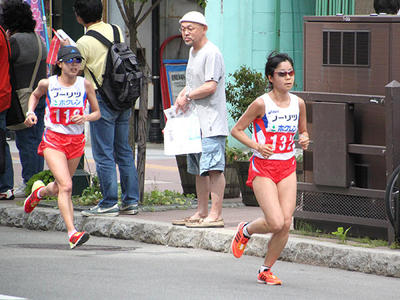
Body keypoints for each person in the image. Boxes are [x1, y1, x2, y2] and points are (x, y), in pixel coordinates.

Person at [230, 52, 309, 285]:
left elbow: (303, 132)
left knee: (285, 222)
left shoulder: (299, 103)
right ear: (270, 77)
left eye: (291, 73)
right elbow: (237, 130)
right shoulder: (261, 103)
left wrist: (304, 139)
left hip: (287, 166)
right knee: (274, 222)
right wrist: (256, 145)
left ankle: (266, 269)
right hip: (263, 167)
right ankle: (246, 230)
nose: (288, 78)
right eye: (282, 74)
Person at [23, 45, 101, 249]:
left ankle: (38, 193)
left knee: (59, 186)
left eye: (78, 61)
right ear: (60, 63)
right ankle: (72, 233)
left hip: (76, 141)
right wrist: (30, 112)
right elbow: (35, 95)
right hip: (53, 139)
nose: (74, 65)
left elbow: (97, 113)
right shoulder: (48, 83)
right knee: (66, 186)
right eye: (70, 61)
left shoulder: (85, 85)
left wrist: (85, 117)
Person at [72, 0, 140, 217]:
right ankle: (131, 201)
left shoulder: (83, 41)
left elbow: (76, 69)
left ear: (79, 17)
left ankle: (109, 201)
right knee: (124, 151)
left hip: (101, 99)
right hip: (123, 97)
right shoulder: (116, 29)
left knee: (103, 154)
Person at [172, 11, 229, 228]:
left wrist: (187, 95)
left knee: (214, 168)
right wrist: (183, 94)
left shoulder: (211, 52)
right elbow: (194, 83)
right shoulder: (193, 52)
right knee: (198, 169)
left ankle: (216, 214)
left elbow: (210, 86)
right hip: (196, 121)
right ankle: (201, 211)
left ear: (203, 29)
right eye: (183, 29)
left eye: (190, 28)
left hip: (212, 121)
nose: (185, 33)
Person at [1, 0, 47, 197]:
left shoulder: (15, 41)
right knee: (36, 140)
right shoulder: (39, 40)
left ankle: (30, 183)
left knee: (25, 141)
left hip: (22, 97)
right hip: (40, 96)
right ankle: (36, 181)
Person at [0, 22, 13, 200]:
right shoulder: (2, 32)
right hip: (3, 93)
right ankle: (5, 186)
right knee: (1, 142)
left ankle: (4, 185)